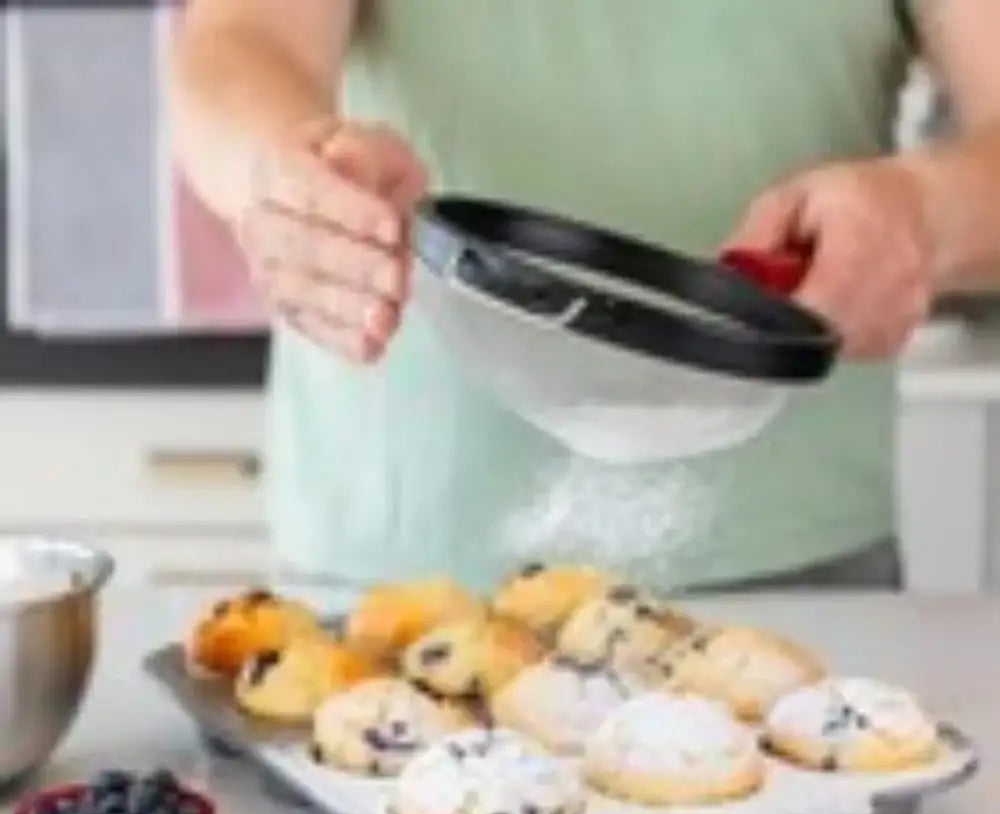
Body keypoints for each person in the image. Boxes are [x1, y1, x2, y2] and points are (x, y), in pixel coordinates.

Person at [169, 0, 1000, 594]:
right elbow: (240, 40)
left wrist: (930, 216)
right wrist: (281, 169)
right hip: (404, 570)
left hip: (790, 567)